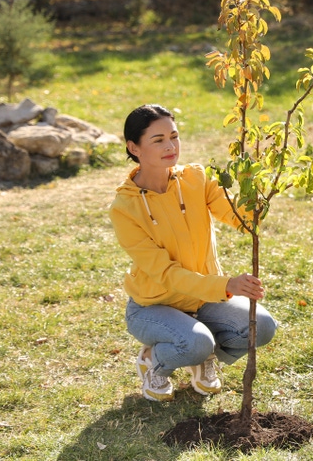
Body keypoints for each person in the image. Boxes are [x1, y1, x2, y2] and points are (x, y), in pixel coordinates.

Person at [109, 104, 277, 402]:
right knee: (195, 342)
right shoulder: (125, 208)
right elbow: (165, 273)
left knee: (261, 327)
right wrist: (225, 285)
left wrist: (256, 188)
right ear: (134, 147)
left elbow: (241, 219)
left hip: (203, 298)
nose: (170, 146)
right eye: (158, 140)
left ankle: (202, 355)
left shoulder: (196, 179)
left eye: (174, 136)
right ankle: (155, 362)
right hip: (153, 307)